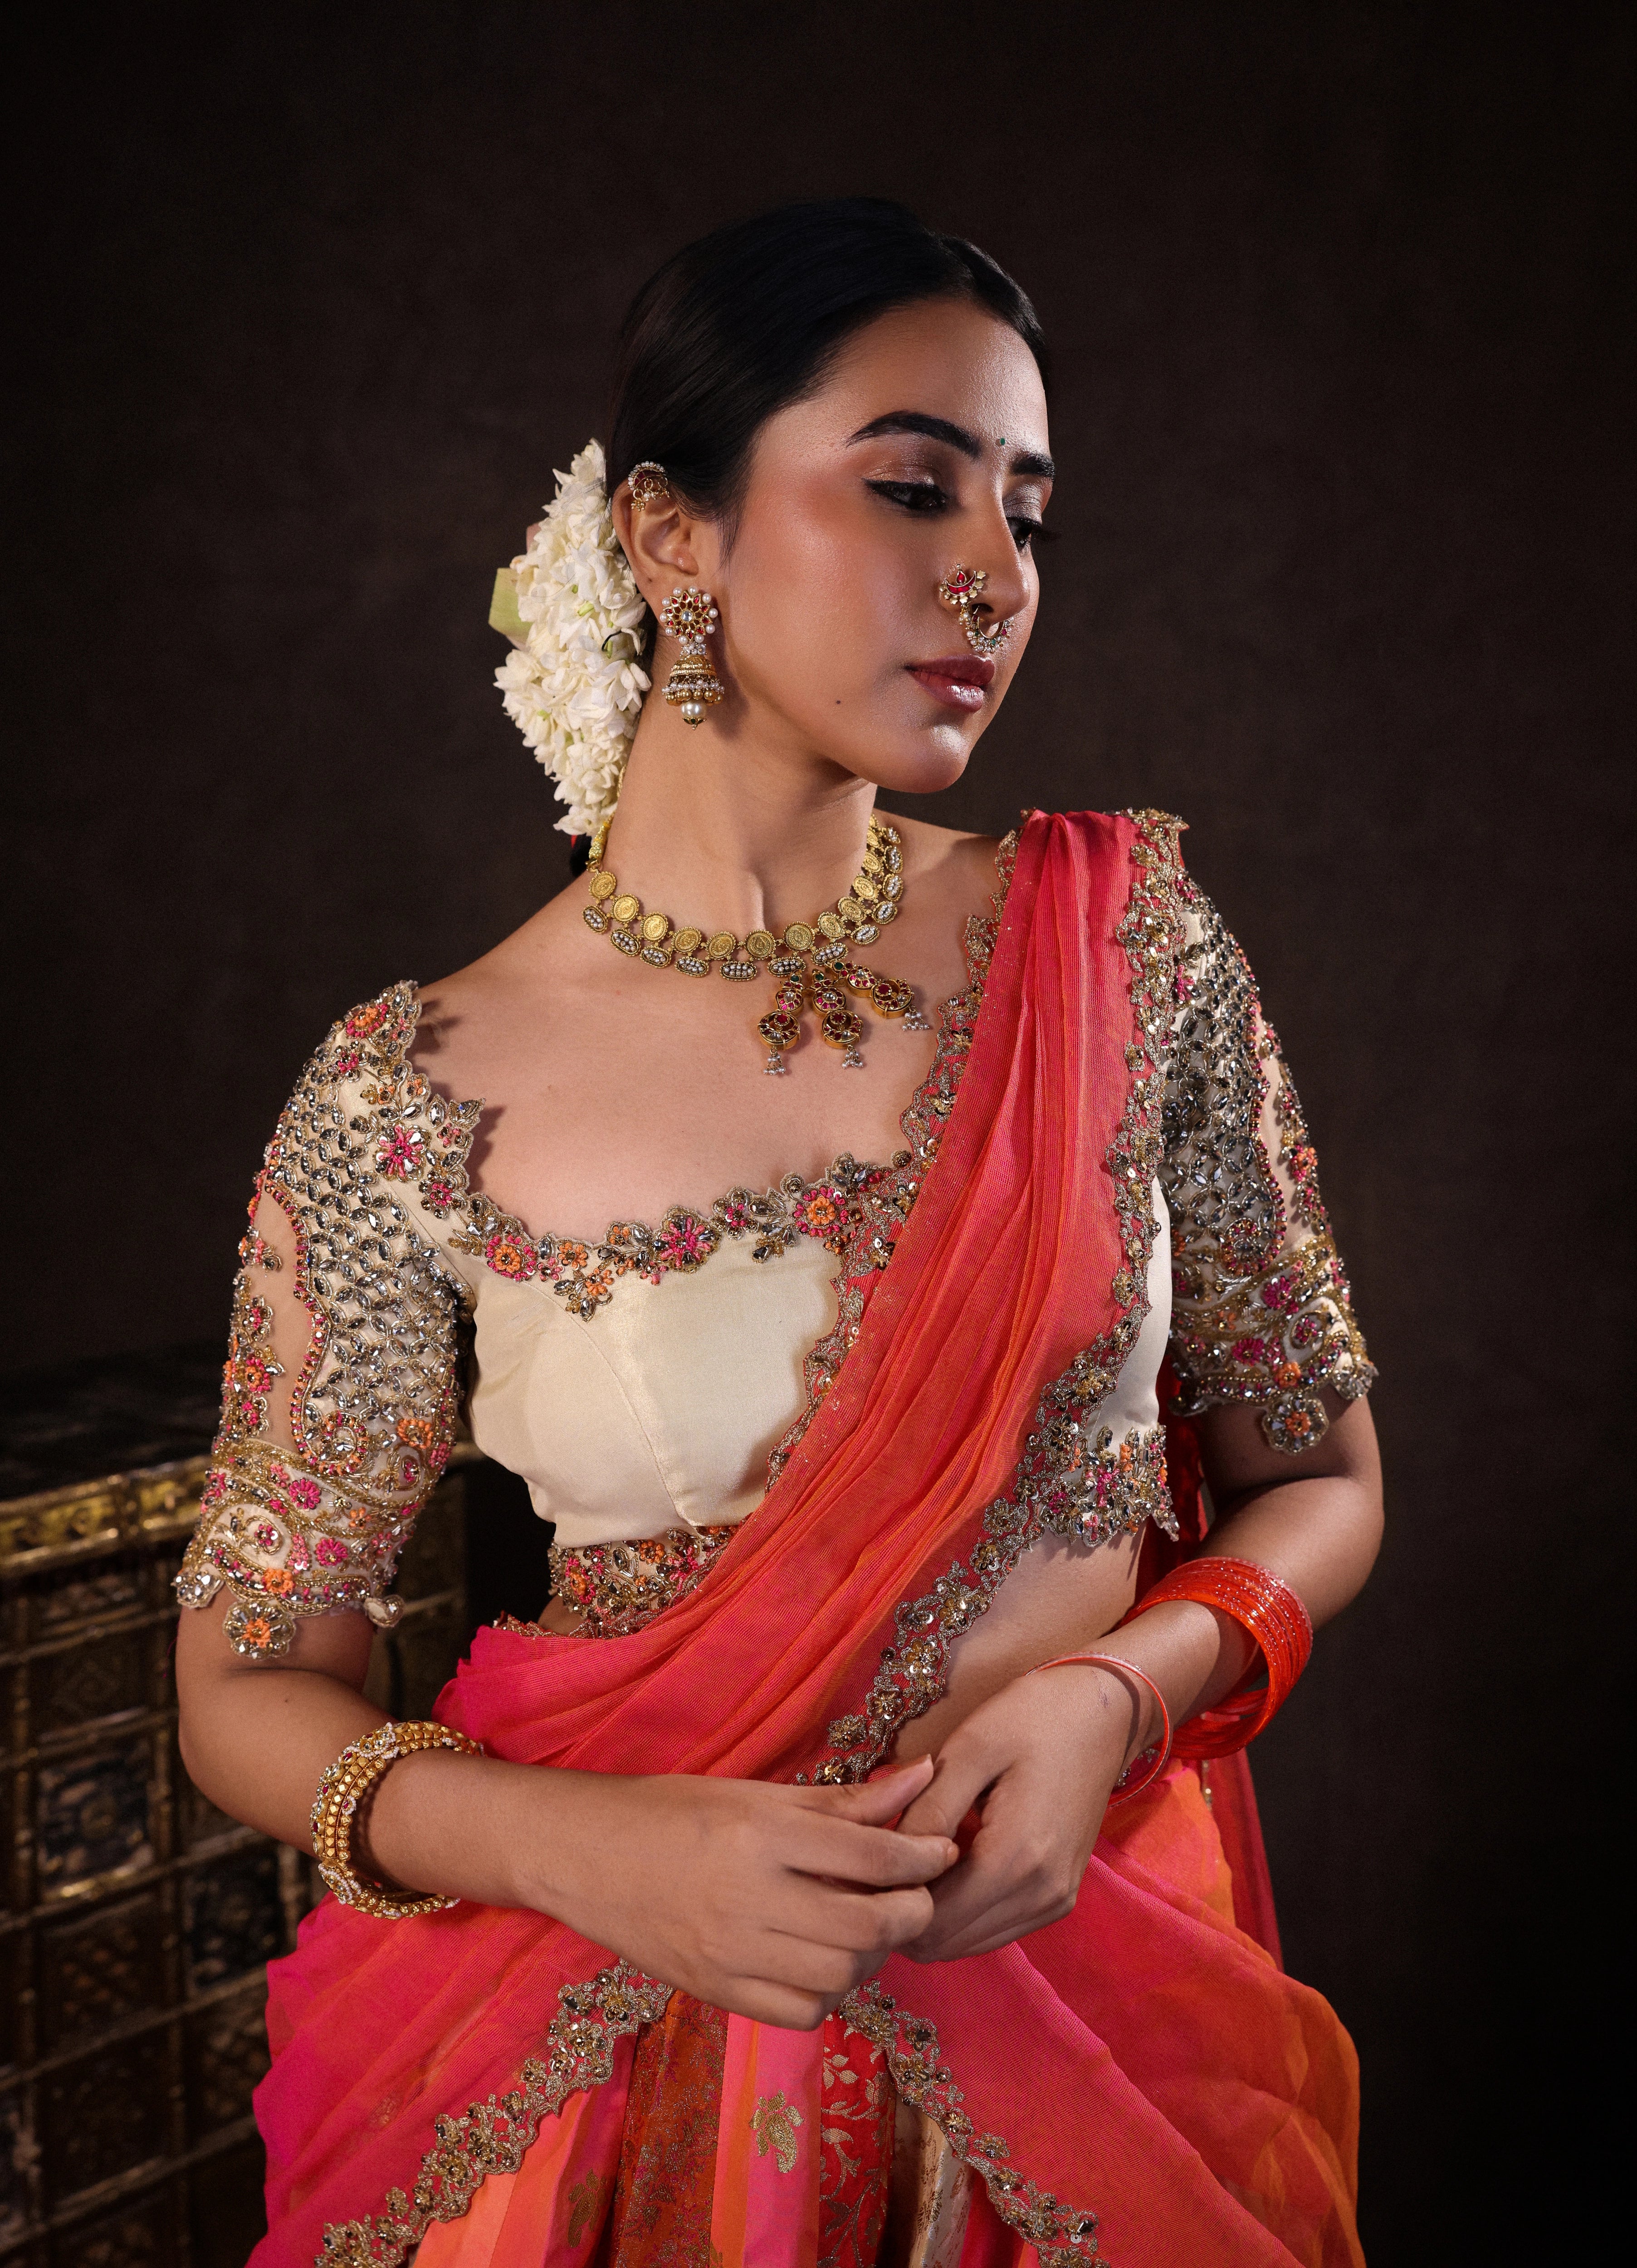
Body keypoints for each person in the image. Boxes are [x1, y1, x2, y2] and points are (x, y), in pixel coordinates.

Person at [175, 199, 1381, 2268]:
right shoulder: (411, 1088)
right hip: (597, 2042)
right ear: (671, 539)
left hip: (1099, 2007)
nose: (996, 573)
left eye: (1029, 510)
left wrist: (1116, 1697)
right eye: (913, 487)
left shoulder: (1124, 943)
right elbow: (250, 1668)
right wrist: (597, 1849)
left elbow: (1323, 1478)